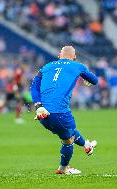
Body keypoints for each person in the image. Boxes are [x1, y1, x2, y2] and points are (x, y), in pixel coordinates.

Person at [30, 46, 98, 175]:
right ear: (75, 57)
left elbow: (34, 87)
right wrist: (85, 78)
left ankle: (87, 145)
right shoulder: (78, 66)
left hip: (42, 114)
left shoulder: (46, 67)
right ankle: (63, 168)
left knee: (68, 131)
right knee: (68, 139)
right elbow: (95, 80)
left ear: (58, 56)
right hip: (60, 112)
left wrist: (38, 106)